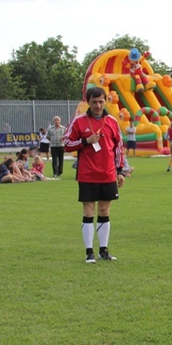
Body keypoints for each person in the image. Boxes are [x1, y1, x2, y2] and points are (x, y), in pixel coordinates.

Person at [63, 87, 126, 263]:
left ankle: (103, 250)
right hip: (87, 174)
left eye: (101, 101)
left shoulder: (112, 121)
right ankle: (89, 252)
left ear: (105, 101)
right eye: (94, 102)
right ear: (88, 102)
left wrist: (119, 171)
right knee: (89, 210)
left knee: (105, 210)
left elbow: (119, 148)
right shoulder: (79, 122)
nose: (98, 106)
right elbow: (67, 143)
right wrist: (85, 141)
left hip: (108, 174)